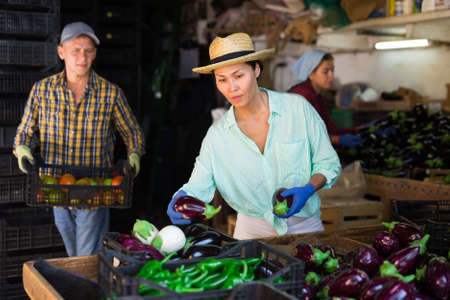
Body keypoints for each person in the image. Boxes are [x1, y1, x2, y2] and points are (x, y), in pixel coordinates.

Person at [166, 33, 341, 239]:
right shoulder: (217, 137)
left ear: (256, 70)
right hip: (251, 230)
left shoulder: (298, 109)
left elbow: (327, 163)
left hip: (305, 226)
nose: (232, 87)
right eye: (222, 79)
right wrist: (183, 199)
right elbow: (198, 186)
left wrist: (309, 189)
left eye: (239, 76)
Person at [13, 22, 145, 256]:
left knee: (85, 256)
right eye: (75, 50)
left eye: (88, 50)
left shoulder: (109, 92)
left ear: (95, 53)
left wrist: (134, 154)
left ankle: (87, 288)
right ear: (61, 52)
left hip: (94, 191)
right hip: (55, 189)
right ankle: (90, 288)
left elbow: (132, 131)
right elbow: (25, 132)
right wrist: (22, 149)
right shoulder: (42, 90)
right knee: (77, 255)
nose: (82, 57)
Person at [288, 49, 365, 148]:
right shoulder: (301, 96)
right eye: (325, 72)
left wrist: (359, 129)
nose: (331, 76)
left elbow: (330, 129)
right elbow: (302, 135)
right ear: (311, 74)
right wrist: (338, 139)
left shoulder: (318, 96)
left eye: (332, 70)